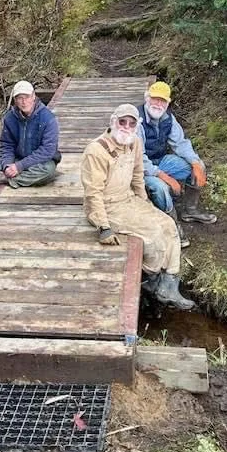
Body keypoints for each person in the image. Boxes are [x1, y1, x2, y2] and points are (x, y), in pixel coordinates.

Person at [80, 103, 194, 311]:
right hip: (108, 206)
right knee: (153, 234)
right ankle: (150, 279)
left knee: (168, 225)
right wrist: (103, 227)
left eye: (131, 123)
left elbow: (137, 177)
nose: (126, 127)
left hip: (129, 199)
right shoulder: (96, 150)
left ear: (136, 126)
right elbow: (92, 193)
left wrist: (145, 203)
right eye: (122, 122)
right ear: (113, 122)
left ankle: (169, 284)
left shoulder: (135, 143)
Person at [138, 81, 216, 245]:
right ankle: (172, 225)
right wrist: (165, 177)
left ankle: (190, 210)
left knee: (198, 166)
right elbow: (138, 158)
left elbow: (180, 143)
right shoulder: (137, 120)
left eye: (163, 101)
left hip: (161, 161)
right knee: (160, 188)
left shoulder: (168, 118)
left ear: (168, 102)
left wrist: (195, 163)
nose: (158, 104)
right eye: (155, 99)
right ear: (147, 98)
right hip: (140, 169)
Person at [0, 80, 60, 207]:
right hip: (17, 157)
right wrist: (7, 165)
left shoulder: (48, 118)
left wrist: (19, 167)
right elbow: (6, 145)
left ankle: (5, 179)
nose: (24, 101)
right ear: (15, 100)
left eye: (27, 97)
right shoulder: (10, 118)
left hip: (40, 161)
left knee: (48, 172)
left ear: (33, 97)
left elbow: (47, 151)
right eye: (20, 98)